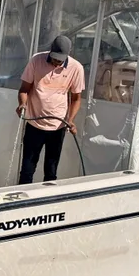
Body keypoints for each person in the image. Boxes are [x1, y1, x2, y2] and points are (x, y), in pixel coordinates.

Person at [16, 35, 85, 184]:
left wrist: (70, 120)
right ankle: (21, 201)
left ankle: (48, 202)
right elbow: (24, 89)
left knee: (51, 171)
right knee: (27, 169)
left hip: (58, 126)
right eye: (54, 58)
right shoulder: (36, 60)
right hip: (34, 124)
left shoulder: (76, 68)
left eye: (59, 60)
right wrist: (22, 104)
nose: (56, 62)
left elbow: (76, 99)